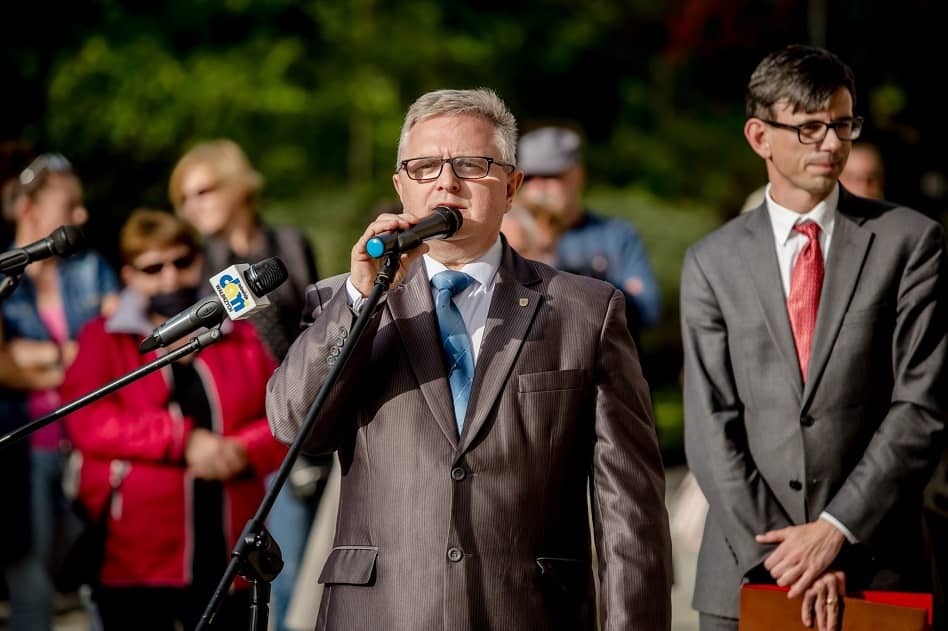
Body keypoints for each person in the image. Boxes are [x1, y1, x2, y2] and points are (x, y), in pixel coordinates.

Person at [266, 87, 672, 630]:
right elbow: (295, 425)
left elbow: (630, 511)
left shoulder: (585, 311)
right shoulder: (344, 301)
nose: (447, 182)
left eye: (471, 165)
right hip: (382, 613)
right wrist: (362, 299)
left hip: (528, 613)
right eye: (425, 167)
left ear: (512, 187)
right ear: (400, 187)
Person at [681, 44, 947, 631]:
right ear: (759, 136)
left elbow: (921, 405)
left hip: (876, 569)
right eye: (809, 128)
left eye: (842, 125)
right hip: (747, 574)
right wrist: (789, 557)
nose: (830, 143)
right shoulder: (711, 262)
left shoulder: (909, 243)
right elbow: (710, 425)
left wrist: (834, 531)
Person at [61, 209, 286, 630]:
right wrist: (183, 440)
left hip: (230, 554)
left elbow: (282, 415)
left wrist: (241, 450)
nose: (170, 278)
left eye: (182, 262)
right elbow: (86, 420)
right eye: (153, 268)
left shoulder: (240, 335)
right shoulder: (103, 337)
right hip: (136, 561)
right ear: (129, 274)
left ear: (199, 261)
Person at [168, 139, 325, 631]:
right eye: (184, 198)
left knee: (294, 575)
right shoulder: (195, 261)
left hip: (295, 427)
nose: (192, 207)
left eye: (203, 191)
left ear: (237, 186)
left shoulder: (288, 245)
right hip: (234, 436)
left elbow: (319, 328)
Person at [0, 152, 119, 631]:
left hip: (89, 444)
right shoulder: (3, 274)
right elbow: (1, 369)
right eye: (70, 204)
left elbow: (117, 351)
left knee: (96, 573)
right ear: (29, 209)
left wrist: (30, 354)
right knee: (30, 582)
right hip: (24, 448)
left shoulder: (90, 267)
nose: (82, 214)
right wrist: (72, 357)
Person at [515, 125, 661, 343]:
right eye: (530, 177)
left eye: (551, 175)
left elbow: (647, 310)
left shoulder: (616, 236)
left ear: (578, 176)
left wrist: (579, 285)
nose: (539, 186)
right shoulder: (506, 235)